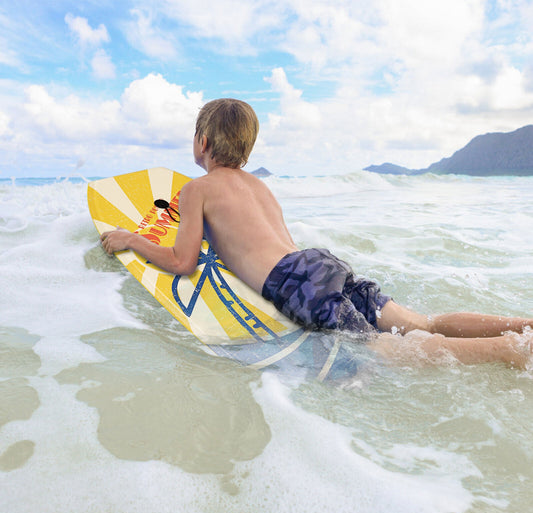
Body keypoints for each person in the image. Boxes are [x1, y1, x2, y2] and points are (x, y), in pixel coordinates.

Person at [100, 98, 533, 368]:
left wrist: (132, 240)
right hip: (320, 263)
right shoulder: (261, 188)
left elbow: (183, 261)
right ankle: (522, 325)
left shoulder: (197, 189)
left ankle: (510, 351)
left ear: (203, 140)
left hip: (296, 282)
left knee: (383, 350)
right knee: (420, 323)